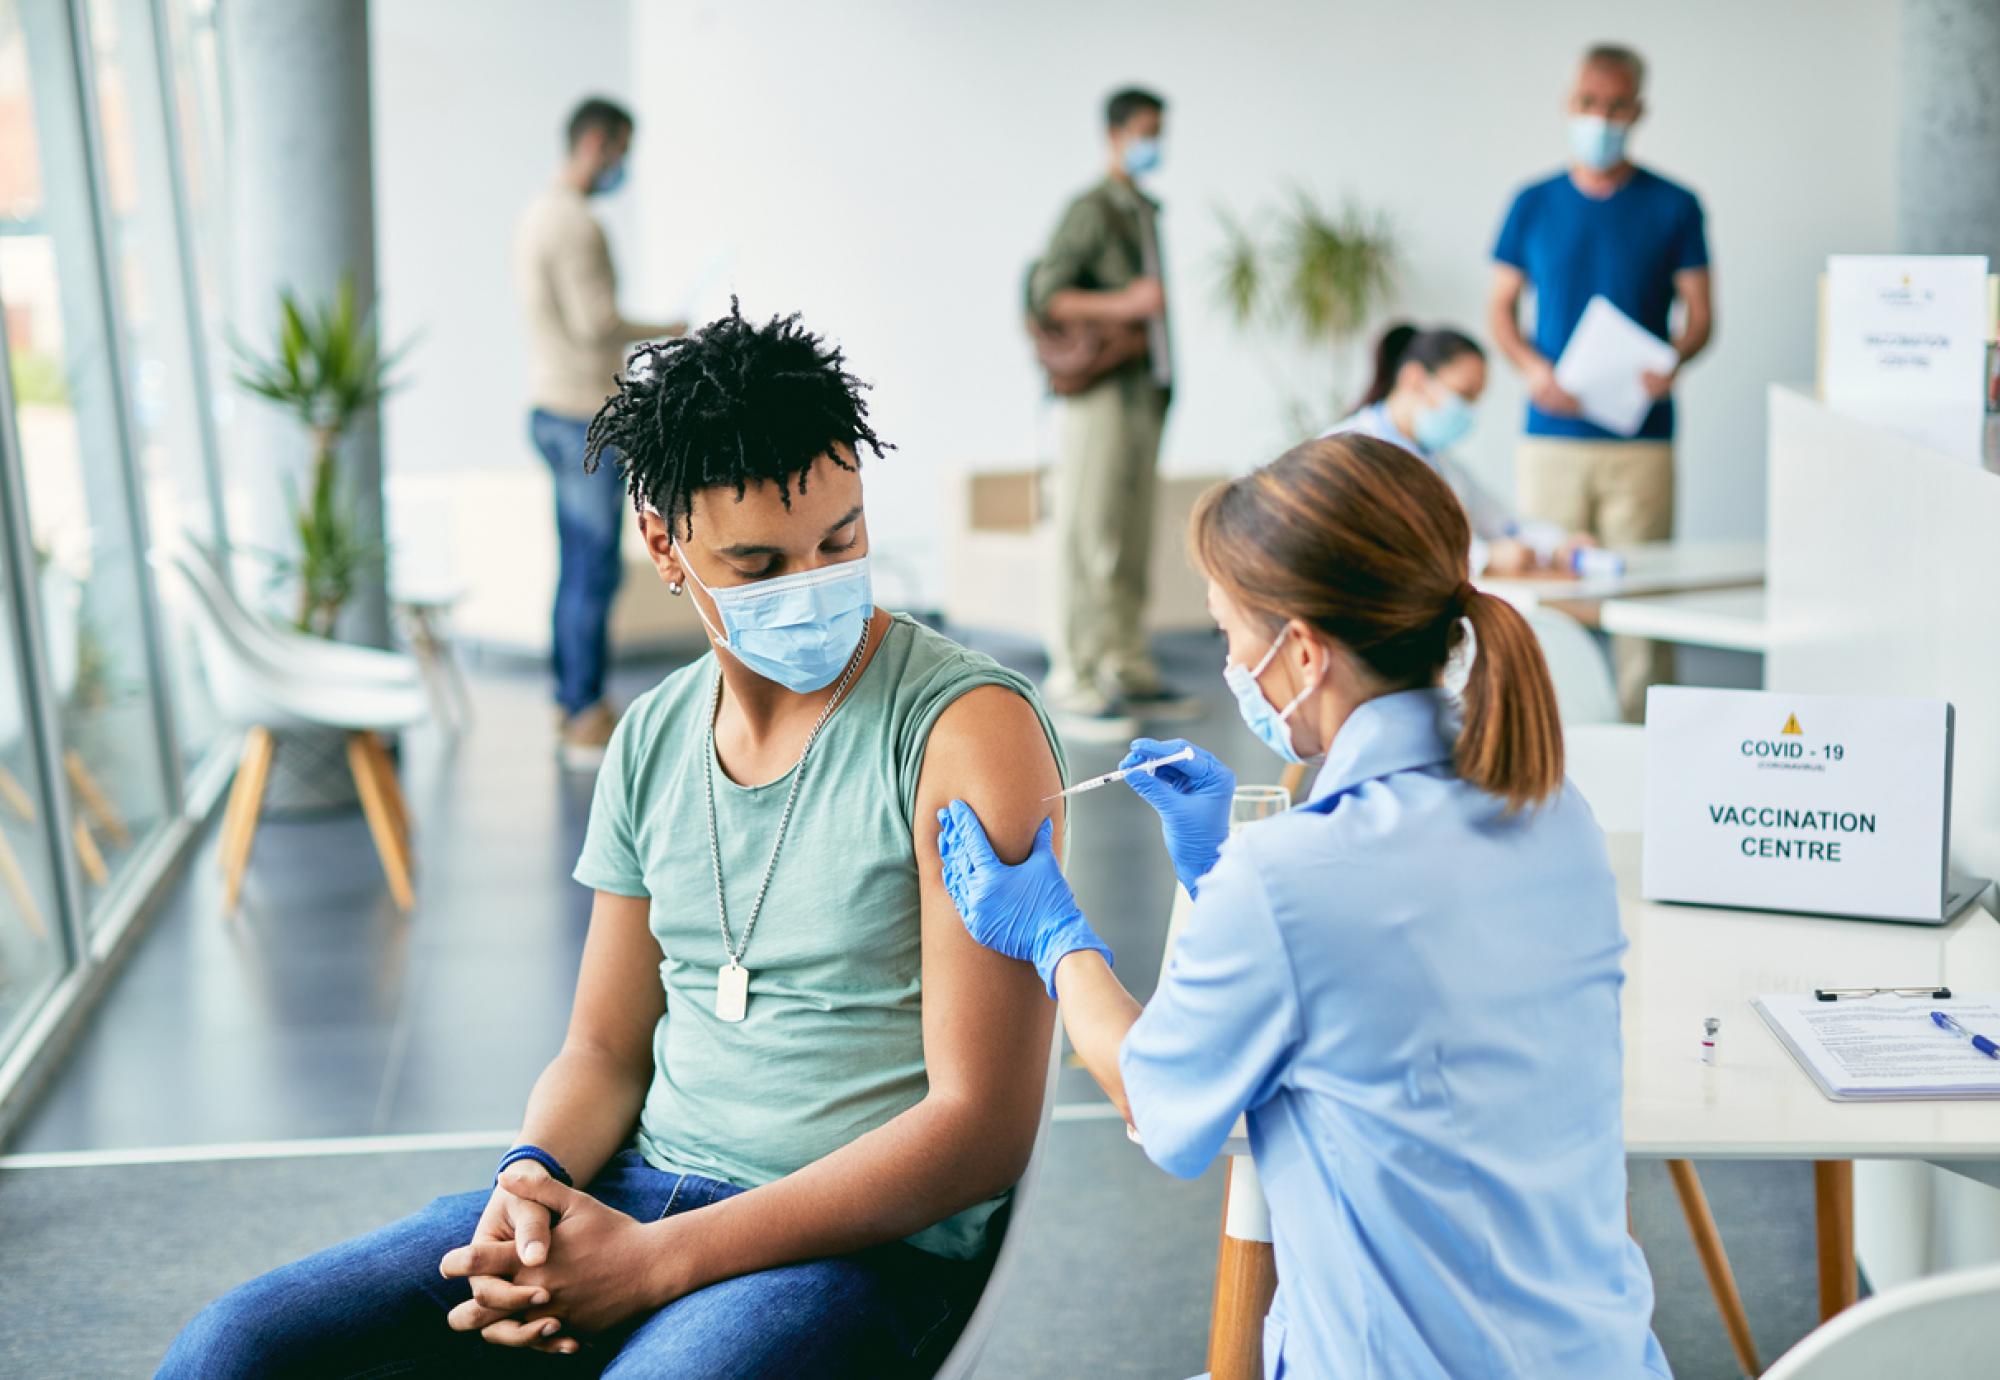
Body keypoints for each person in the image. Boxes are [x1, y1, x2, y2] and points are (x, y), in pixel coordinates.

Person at [160, 305, 1065, 1379]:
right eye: (756, 561)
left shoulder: (968, 732)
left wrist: (654, 1264)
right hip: (636, 1192)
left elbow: (980, 1128)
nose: (812, 586)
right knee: (236, 1350)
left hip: (851, 1245)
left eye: (841, 539)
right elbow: (599, 1050)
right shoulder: (649, 739)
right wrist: (531, 1188)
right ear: (659, 541)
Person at [937, 434, 1669, 1378]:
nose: (1230, 663)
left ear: (1305, 653)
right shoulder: (1557, 815)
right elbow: (1384, 983)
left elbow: (1154, 1101)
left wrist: (1052, 930)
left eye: (1233, 638)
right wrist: (1224, 881)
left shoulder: (1290, 879)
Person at [1488, 43, 1712, 719]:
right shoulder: (1531, 203)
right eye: (1589, 103)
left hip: (1638, 439)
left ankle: (1644, 737)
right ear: (1570, 103)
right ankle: (1546, 736)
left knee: (1642, 597)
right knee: (1546, 599)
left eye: (1616, 106)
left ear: (1638, 110)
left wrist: (1672, 361)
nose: (1601, 118)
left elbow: (1700, 316)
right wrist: (1533, 369)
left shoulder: (1675, 205)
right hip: (1552, 435)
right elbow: (1500, 308)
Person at [515, 96, 687, 767]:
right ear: (596, 143)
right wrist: (667, 329)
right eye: (620, 150)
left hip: (549, 409)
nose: (623, 166)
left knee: (575, 568)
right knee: (592, 571)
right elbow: (596, 322)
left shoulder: (535, 215)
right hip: (584, 415)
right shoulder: (577, 223)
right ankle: (585, 714)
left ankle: (572, 702)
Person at [1028, 86, 1198, 734]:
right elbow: (1049, 295)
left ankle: (1125, 666)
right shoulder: (1093, 209)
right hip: (1100, 398)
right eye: (1147, 131)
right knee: (1087, 535)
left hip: (1143, 397)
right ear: (1116, 134)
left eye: (1161, 131)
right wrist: (1124, 304)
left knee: (1128, 538)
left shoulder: (1143, 209)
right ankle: (1072, 679)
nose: (1156, 144)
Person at [1329, 322, 1593, 578]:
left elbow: (1501, 523)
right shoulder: (1345, 450)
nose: (1468, 412)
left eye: (1475, 400)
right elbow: (1384, 548)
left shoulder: (1440, 463)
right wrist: (1485, 558)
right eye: (1464, 395)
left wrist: (1557, 544)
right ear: (1414, 379)